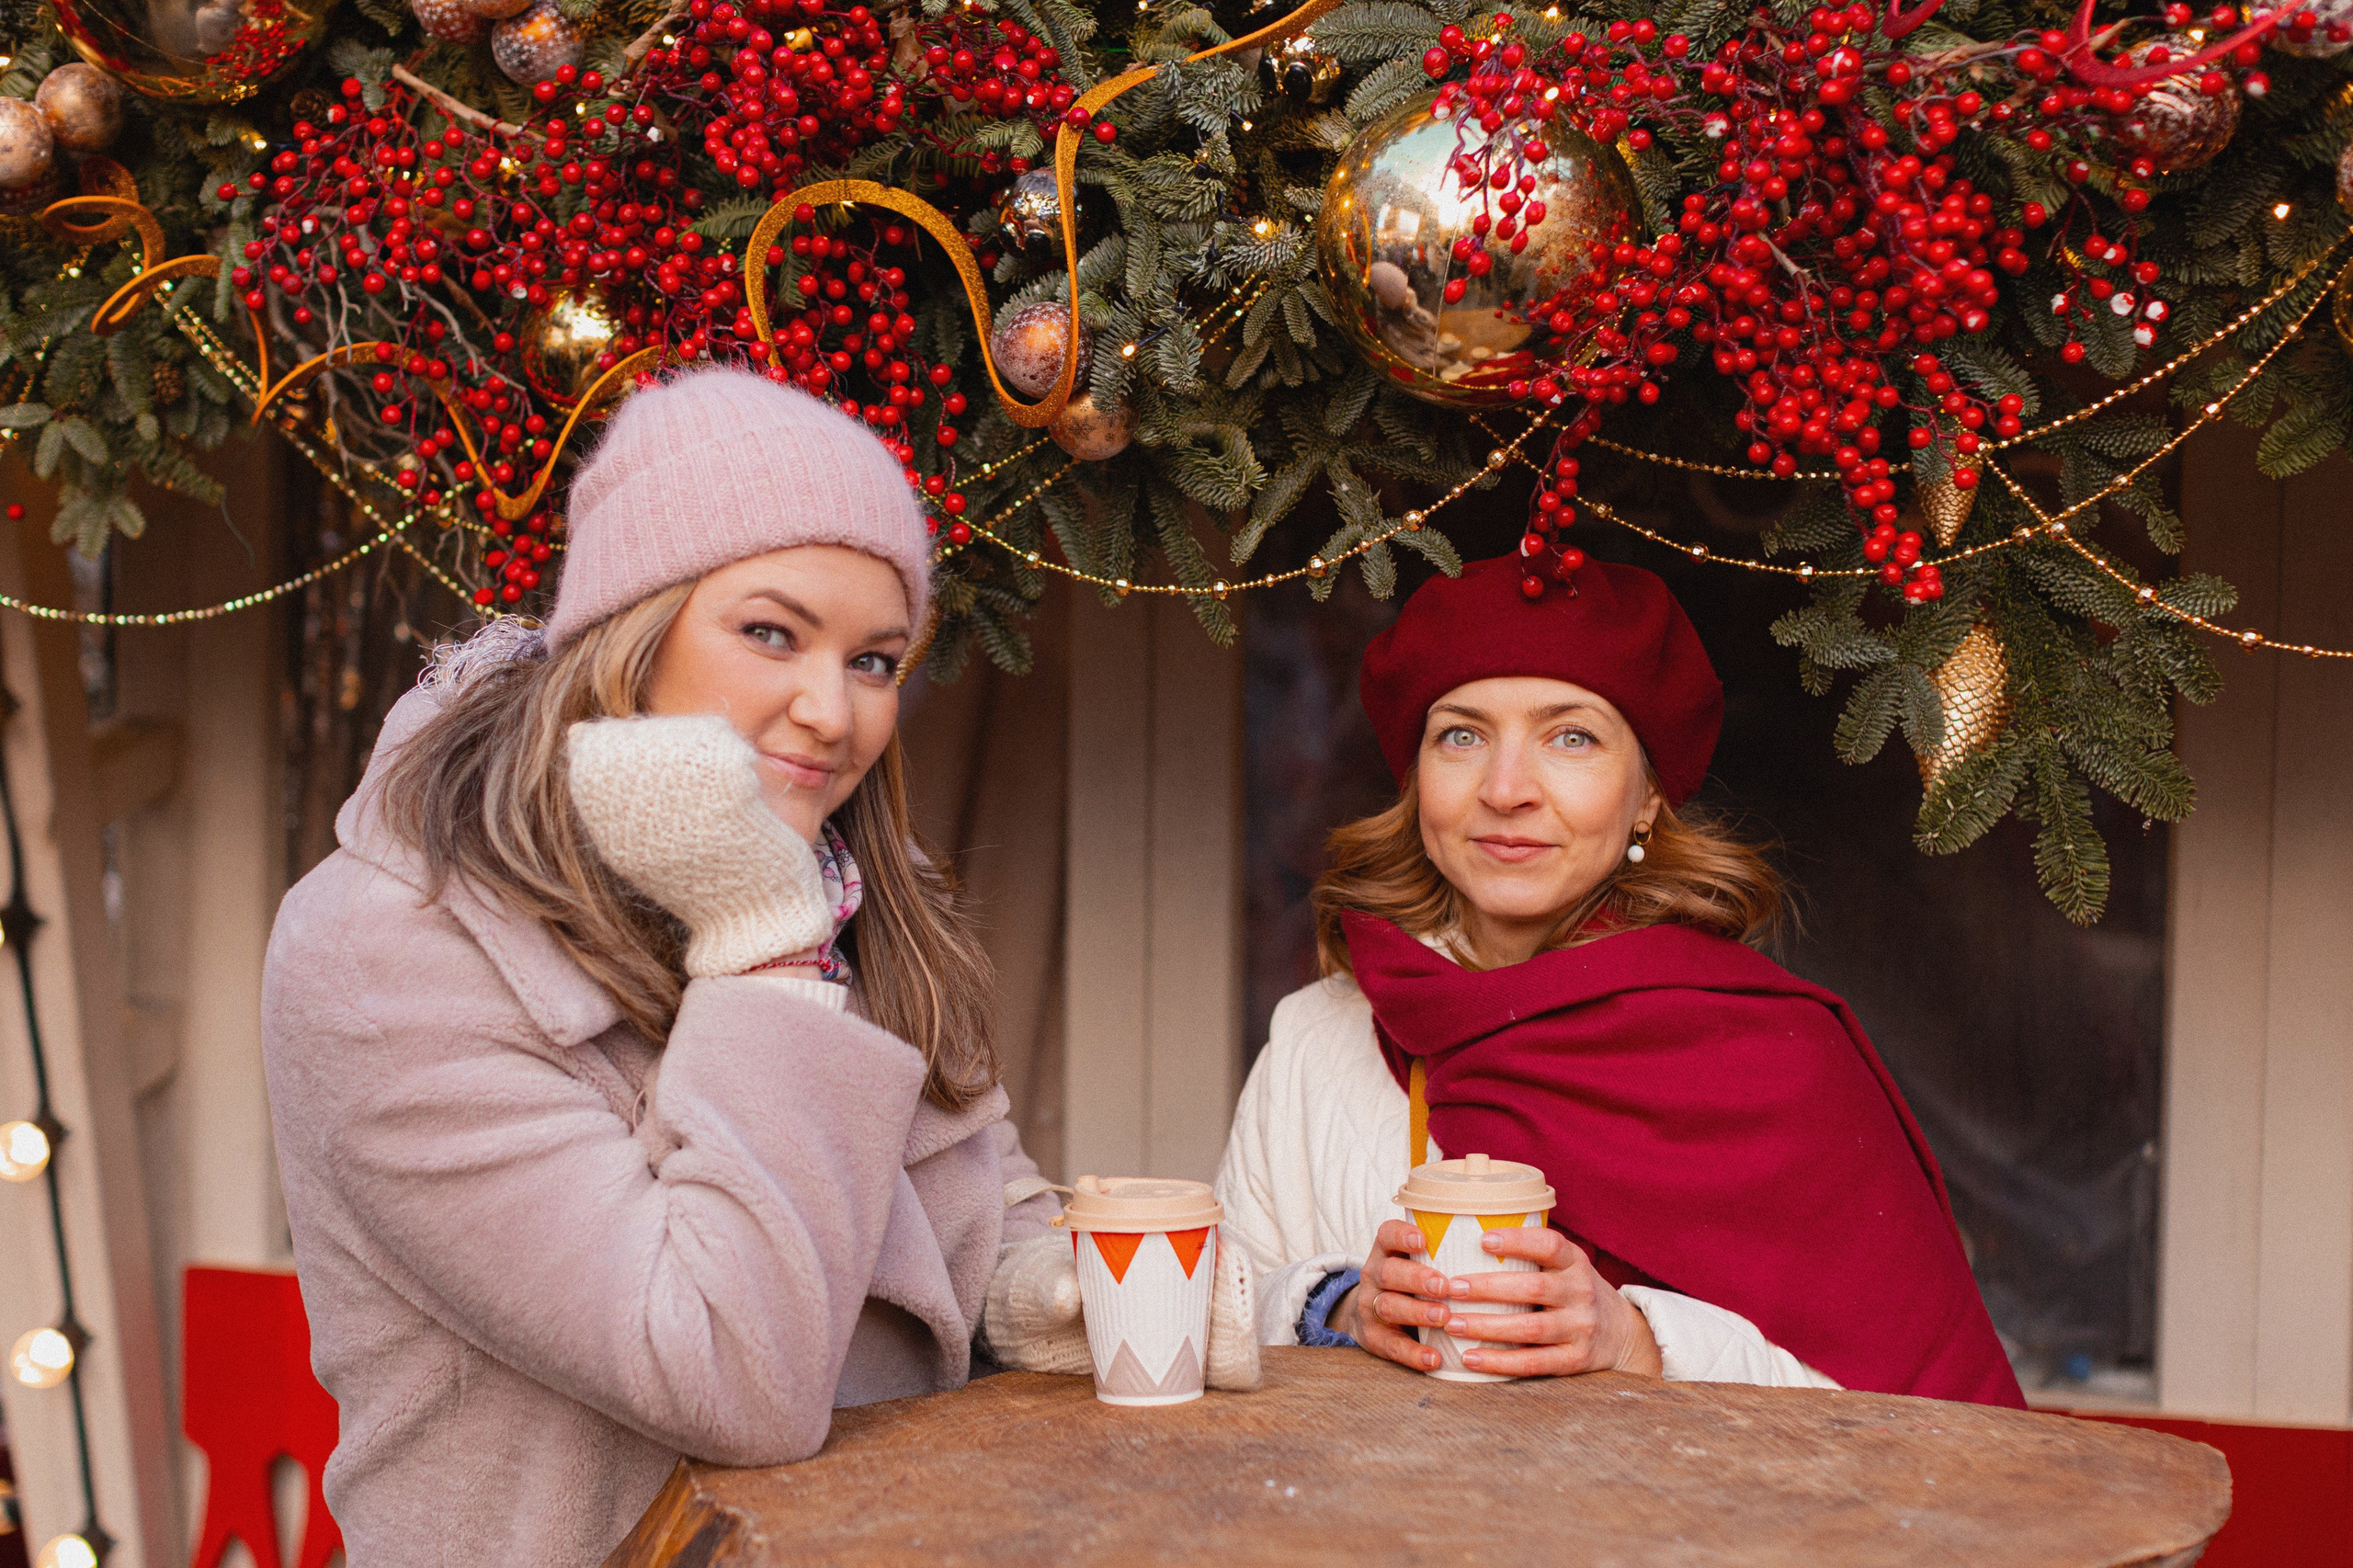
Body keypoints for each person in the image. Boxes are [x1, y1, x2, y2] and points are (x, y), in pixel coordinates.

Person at [262, 368, 1101, 1567]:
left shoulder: (835, 880)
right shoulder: (387, 947)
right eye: (771, 632)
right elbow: (728, 1371)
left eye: (875, 659)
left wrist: (1093, 1293)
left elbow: (973, 1205)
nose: (833, 709)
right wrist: (764, 951)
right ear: (632, 633)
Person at [1214, 552, 2024, 1407]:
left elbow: (1920, 1433)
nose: (1505, 789)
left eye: (1572, 736)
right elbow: (1211, 1318)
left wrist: (1637, 1340)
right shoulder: (1319, 1037)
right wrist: (1334, 1305)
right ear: (1417, 781)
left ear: (1646, 798)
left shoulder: (1776, 1061)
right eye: (1462, 734)